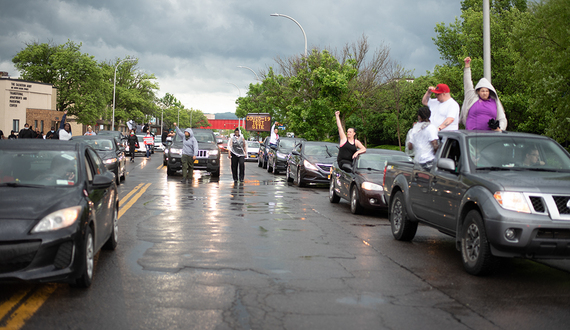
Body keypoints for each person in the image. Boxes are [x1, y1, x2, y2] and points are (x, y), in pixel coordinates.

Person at [460, 57, 507, 131]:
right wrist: (467, 66)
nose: (485, 93)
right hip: (471, 134)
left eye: (486, 91)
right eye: (482, 91)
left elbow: (502, 118)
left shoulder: (494, 102)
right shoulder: (472, 97)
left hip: (488, 136)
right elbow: (467, 82)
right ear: (478, 91)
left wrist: (500, 129)